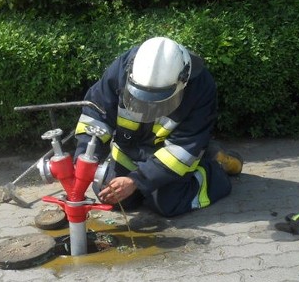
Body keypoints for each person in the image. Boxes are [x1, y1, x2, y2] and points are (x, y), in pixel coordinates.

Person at [75, 36, 243, 218]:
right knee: (111, 195)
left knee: (168, 203)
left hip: (169, 152)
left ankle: (214, 168)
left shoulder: (200, 87)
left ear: (182, 81)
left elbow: (184, 146)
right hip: (130, 149)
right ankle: (146, 183)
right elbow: (96, 114)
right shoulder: (122, 68)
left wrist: (137, 180)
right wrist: (86, 156)